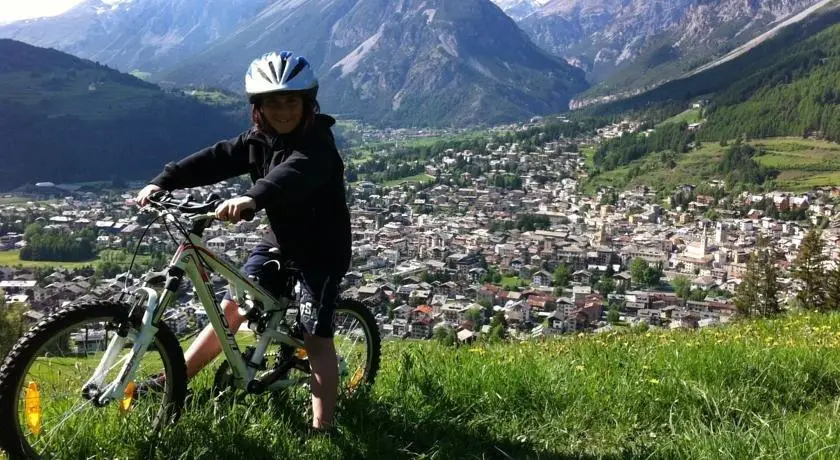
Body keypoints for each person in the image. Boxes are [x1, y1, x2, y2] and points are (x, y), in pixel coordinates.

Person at [135, 50, 351, 433]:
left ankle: (324, 426)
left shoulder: (318, 145)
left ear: (307, 103)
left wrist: (254, 197)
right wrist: (163, 180)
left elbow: (292, 173)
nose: (282, 111)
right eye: (272, 102)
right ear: (259, 107)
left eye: (291, 101)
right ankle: (176, 380)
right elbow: (214, 159)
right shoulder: (258, 140)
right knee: (232, 308)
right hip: (279, 241)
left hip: (322, 250)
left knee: (315, 338)